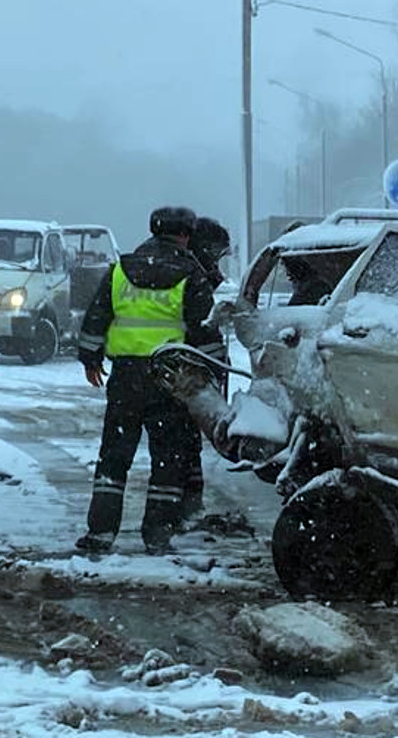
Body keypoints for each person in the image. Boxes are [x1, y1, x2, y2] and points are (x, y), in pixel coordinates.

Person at [74, 206, 216, 555]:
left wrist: (90, 357)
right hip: (171, 378)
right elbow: (205, 330)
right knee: (168, 457)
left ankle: (101, 533)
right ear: (184, 235)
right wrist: (213, 373)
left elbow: (97, 315)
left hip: (125, 377)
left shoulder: (121, 268)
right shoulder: (190, 273)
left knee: (114, 455)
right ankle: (157, 533)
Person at [176, 216, 232, 523]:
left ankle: (187, 509)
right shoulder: (191, 279)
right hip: (182, 373)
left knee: (184, 445)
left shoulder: (188, 274)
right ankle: (184, 511)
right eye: (215, 256)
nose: (217, 268)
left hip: (170, 370)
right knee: (181, 445)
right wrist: (217, 366)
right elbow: (200, 333)